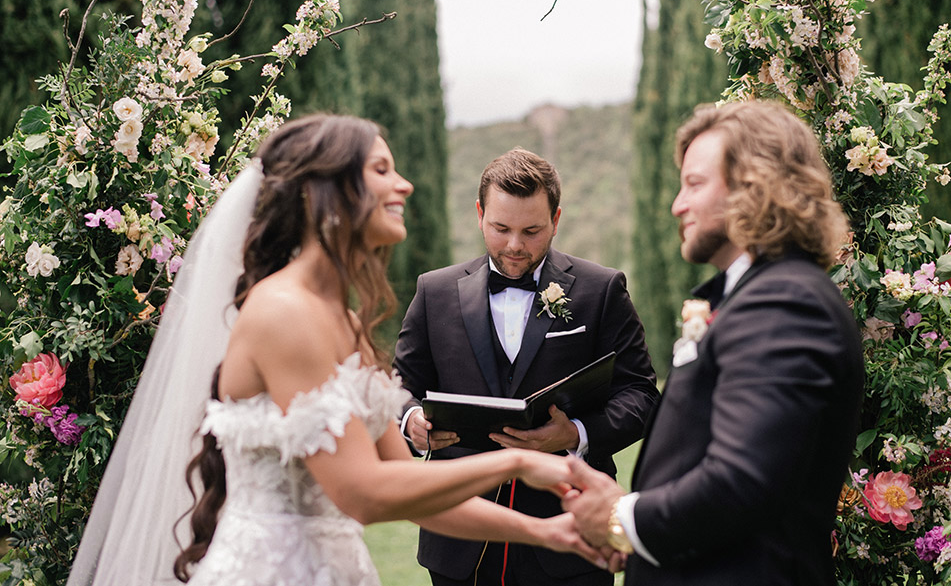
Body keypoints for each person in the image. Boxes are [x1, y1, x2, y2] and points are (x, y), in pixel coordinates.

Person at [67, 115, 606, 586]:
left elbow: (411, 486)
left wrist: (543, 531)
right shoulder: (283, 312)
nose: (405, 184)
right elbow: (365, 494)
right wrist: (516, 461)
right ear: (325, 191)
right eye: (380, 170)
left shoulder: (343, 320)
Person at [562, 100, 865, 585]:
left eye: (694, 184)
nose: (676, 205)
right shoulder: (757, 296)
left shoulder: (785, 302)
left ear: (754, 185)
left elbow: (743, 481)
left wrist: (623, 518)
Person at [394, 148, 659, 586]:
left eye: (532, 231)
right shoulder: (434, 291)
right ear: (479, 214)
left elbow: (642, 396)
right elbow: (398, 386)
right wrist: (410, 421)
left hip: (572, 540)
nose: (515, 245)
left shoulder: (602, 289)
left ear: (556, 220)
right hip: (459, 539)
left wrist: (575, 433)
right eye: (500, 228)